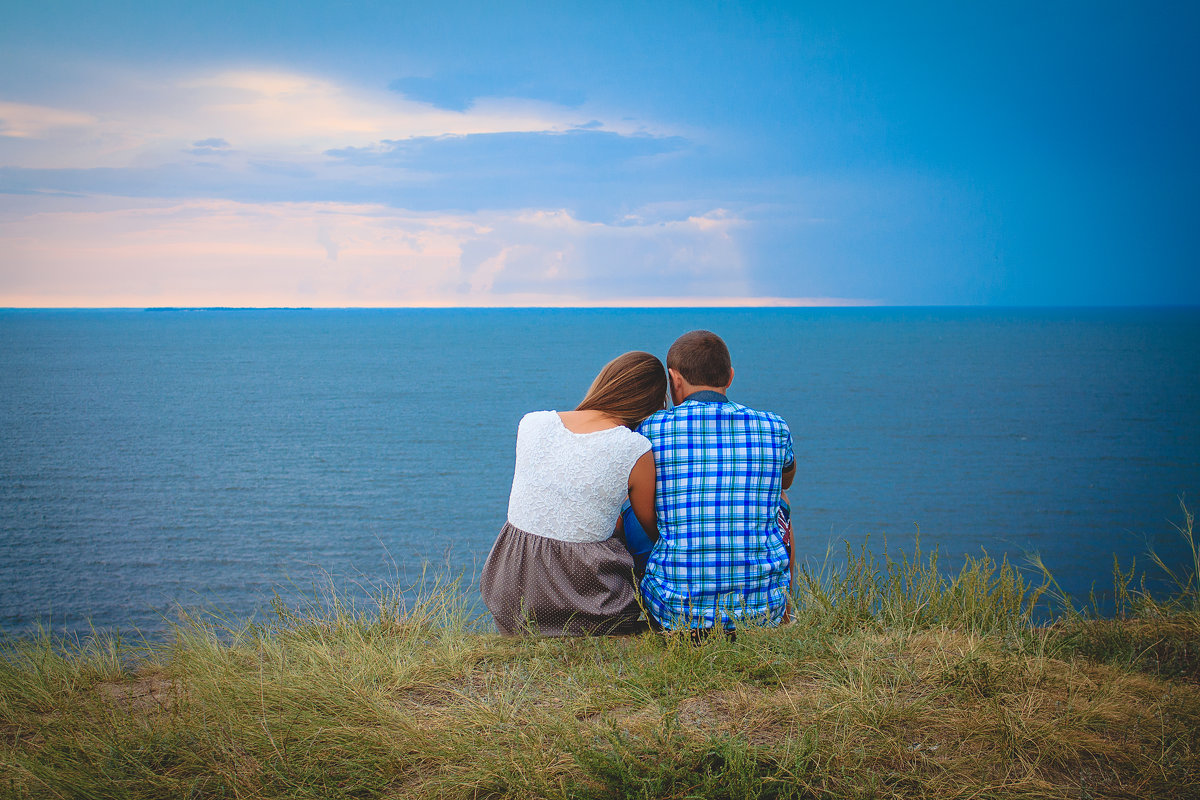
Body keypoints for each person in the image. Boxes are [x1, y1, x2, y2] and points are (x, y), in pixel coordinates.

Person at [480, 351, 666, 636]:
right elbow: (652, 531)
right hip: (588, 604)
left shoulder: (532, 422)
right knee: (635, 521)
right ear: (650, 404)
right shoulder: (634, 448)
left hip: (510, 594)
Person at [635, 330, 795, 632]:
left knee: (636, 503)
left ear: (675, 379)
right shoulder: (774, 426)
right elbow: (786, 478)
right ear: (730, 376)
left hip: (675, 614)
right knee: (781, 501)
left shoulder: (651, 428)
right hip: (761, 616)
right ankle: (784, 607)